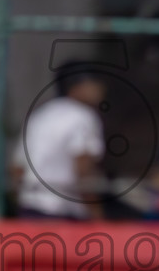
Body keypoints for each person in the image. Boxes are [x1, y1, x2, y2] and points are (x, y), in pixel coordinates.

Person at [13, 71, 106, 219]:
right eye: (95, 83)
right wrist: (97, 216)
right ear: (77, 87)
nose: (101, 89)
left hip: (29, 209)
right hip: (62, 212)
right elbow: (83, 171)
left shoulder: (40, 114)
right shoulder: (83, 116)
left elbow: (17, 169)